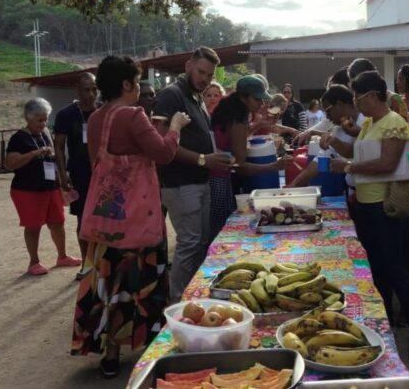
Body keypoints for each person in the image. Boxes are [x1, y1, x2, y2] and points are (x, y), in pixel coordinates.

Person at [70, 55, 189, 378]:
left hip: (109, 217)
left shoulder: (96, 118)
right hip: (138, 218)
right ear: (126, 84)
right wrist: (175, 128)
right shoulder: (134, 115)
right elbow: (163, 153)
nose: (139, 88)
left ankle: (110, 354)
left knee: (110, 283)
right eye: (136, 81)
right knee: (143, 283)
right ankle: (151, 349)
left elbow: (102, 159)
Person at [330, 71, 409, 361]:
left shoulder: (395, 123)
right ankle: (384, 324)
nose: (356, 104)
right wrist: (335, 145)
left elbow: (387, 164)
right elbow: (358, 153)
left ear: (372, 96)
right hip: (367, 206)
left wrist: (348, 167)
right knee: (378, 270)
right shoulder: (370, 125)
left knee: (397, 269)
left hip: (386, 206)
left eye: (357, 98)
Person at [153, 47, 233, 301]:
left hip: (200, 180)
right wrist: (203, 159)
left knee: (200, 243)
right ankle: (178, 301)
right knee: (189, 244)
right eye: (201, 72)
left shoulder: (196, 97)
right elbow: (161, 144)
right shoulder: (170, 95)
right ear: (188, 65)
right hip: (179, 183)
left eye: (209, 75)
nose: (205, 79)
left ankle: (192, 295)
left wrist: (214, 157)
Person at [5, 98, 82, 276]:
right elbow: (10, 163)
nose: (43, 123)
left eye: (45, 119)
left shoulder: (45, 132)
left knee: (58, 222)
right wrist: (34, 154)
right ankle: (34, 261)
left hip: (50, 187)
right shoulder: (18, 138)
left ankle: (62, 256)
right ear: (28, 118)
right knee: (33, 225)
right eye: (39, 120)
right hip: (27, 190)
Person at [209, 76, 292, 240]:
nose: (261, 104)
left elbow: (234, 138)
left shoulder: (230, 112)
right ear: (243, 97)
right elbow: (241, 166)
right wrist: (273, 166)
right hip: (218, 179)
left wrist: (260, 125)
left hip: (214, 176)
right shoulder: (238, 119)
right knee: (220, 234)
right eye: (257, 99)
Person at [53, 72, 99, 276]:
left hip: (105, 174)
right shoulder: (66, 115)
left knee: (107, 220)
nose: (90, 94)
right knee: (84, 221)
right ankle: (87, 266)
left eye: (94, 89)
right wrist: (63, 175)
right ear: (77, 91)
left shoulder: (104, 111)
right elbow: (59, 146)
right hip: (80, 174)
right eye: (86, 90)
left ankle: (103, 266)